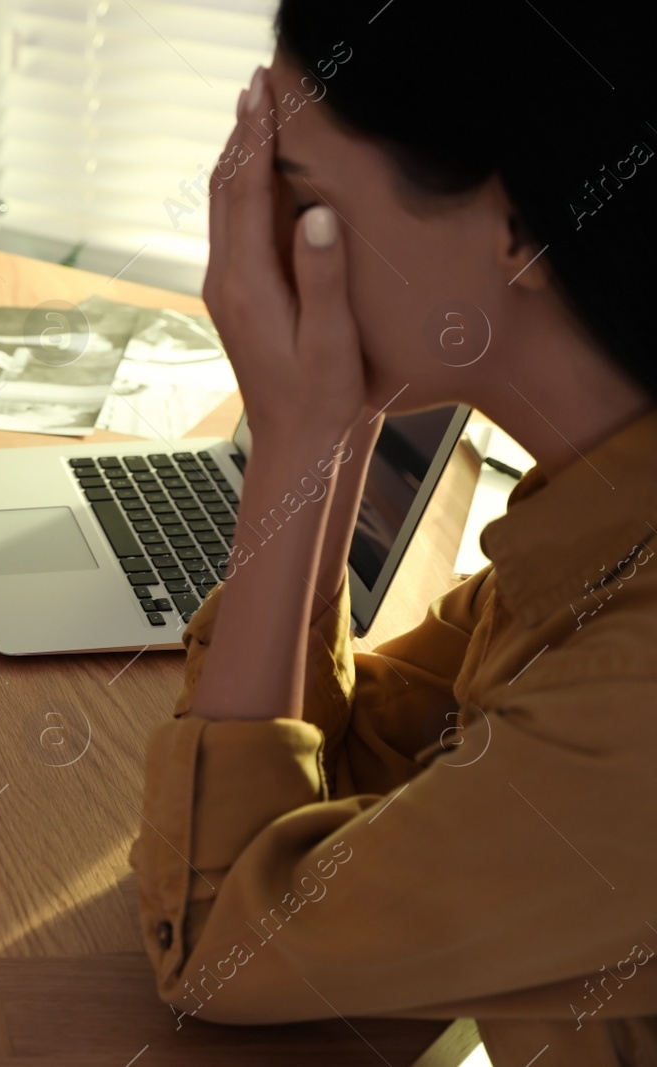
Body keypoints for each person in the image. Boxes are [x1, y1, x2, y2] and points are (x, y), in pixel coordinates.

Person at [129, 5, 657, 1064]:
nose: (254, 249)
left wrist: (295, 435)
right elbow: (363, 776)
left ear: (514, 228)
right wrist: (326, 429)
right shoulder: (589, 523)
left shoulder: (632, 684)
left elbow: (220, 951)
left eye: (304, 198)